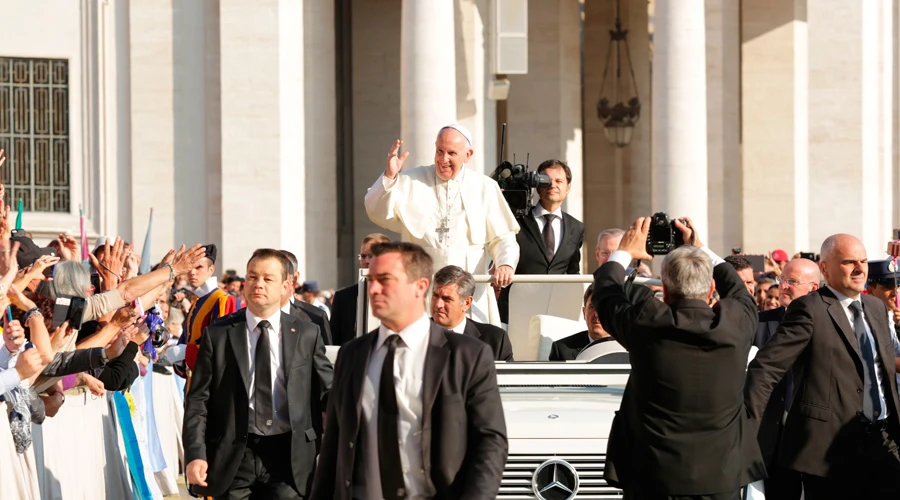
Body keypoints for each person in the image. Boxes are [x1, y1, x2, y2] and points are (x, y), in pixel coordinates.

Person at [310, 242, 507, 500]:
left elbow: (490, 442)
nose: (374, 289)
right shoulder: (352, 355)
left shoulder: (468, 356)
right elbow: (333, 448)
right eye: (371, 280)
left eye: (386, 280)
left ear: (420, 287)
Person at [593, 216, 765, 499]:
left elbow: (605, 294)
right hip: (720, 477)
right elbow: (737, 289)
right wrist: (700, 247)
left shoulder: (646, 322)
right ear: (711, 290)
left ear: (666, 290)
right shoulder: (736, 323)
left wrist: (624, 251)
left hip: (654, 477)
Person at [745, 234, 900, 498]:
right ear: (825, 268)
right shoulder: (809, 309)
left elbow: (878, 367)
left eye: (862, 261)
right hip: (831, 451)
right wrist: (747, 432)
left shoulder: (875, 308)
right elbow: (765, 369)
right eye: (849, 262)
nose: (860, 269)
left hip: (885, 442)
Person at [183, 248, 333, 499]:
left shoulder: (307, 334)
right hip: (233, 455)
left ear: (286, 286)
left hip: (289, 458)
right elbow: (198, 401)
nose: (258, 284)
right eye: (252, 277)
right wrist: (195, 454)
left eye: (268, 278)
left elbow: (328, 391)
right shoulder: (219, 334)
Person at [364, 124, 520, 325]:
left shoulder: (484, 187)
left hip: (470, 288)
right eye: (439, 151)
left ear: (468, 154)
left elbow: (503, 237)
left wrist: (505, 263)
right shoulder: (413, 180)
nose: (443, 159)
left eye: (451, 153)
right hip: (424, 287)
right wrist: (390, 177)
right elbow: (376, 212)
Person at [752, 258, 820, 500]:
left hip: (816, 441)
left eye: (792, 281)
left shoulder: (830, 325)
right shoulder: (760, 324)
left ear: (813, 288)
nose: (784, 286)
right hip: (773, 441)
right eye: (782, 280)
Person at [499, 159, 585, 323]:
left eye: (559, 181)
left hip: (557, 310)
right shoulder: (516, 220)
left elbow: (573, 272)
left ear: (568, 188)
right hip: (517, 307)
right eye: (546, 180)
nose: (553, 185)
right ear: (537, 185)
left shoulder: (577, 227)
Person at [176, 244, 238, 387]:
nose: (192, 272)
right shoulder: (197, 302)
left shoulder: (222, 300)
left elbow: (221, 346)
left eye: (198, 267)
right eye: (190, 267)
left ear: (211, 270)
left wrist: (187, 353)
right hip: (193, 383)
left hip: (211, 387)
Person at [431, 265, 513, 361]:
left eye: (447, 299)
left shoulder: (496, 340)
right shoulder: (414, 334)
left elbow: (509, 376)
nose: (438, 304)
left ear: (467, 303)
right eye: (435, 296)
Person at [330, 233, 391, 345]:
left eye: (371, 256)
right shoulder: (343, 297)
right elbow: (334, 340)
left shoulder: (398, 295)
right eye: (363, 256)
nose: (366, 261)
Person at [549, 284, 616, 361]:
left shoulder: (630, 347)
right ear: (584, 313)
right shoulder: (562, 350)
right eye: (592, 307)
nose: (596, 314)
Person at [280, 250, 333, 345]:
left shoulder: (316, 317)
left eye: (282, 273)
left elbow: (325, 356)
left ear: (294, 278)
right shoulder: (247, 317)